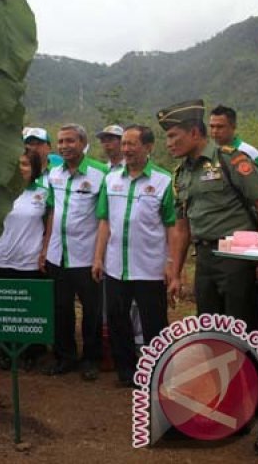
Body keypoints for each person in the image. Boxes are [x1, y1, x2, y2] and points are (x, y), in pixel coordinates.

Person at [162, 99, 258, 333]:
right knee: (211, 329)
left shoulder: (230, 159)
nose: (168, 143)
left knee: (244, 329)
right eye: (167, 137)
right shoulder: (180, 174)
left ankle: (256, 370)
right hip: (204, 258)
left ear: (194, 132)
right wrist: (175, 274)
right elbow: (182, 228)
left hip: (238, 259)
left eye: (174, 136)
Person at [92, 125, 175, 387]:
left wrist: (172, 264)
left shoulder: (164, 181)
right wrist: (98, 258)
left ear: (149, 147)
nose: (126, 149)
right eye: (124, 144)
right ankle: (126, 372)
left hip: (150, 268)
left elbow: (172, 226)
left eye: (132, 144)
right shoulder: (111, 178)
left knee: (154, 324)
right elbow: (104, 221)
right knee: (118, 320)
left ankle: (157, 373)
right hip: (116, 266)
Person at [41, 124, 108, 381]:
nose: (64, 146)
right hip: (57, 255)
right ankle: (64, 357)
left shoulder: (101, 173)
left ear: (82, 143)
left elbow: (105, 218)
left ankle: (90, 360)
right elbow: (50, 212)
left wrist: (99, 257)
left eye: (70, 141)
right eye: (60, 141)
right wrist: (45, 248)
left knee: (91, 310)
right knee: (60, 308)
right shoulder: (53, 174)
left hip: (87, 256)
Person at [0, 150, 49, 370]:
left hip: (30, 259)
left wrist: (45, 252)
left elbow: (49, 227)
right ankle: (4, 352)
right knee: (4, 308)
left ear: (35, 169)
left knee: (30, 309)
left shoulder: (44, 193)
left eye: (25, 164)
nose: (21, 168)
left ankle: (31, 353)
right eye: (16, 163)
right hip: (3, 257)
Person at [209, 104, 258, 180]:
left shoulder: (249, 152)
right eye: (212, 126)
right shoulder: (207, 153)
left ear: (233, 126)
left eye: (220, 127)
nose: (215, 131)